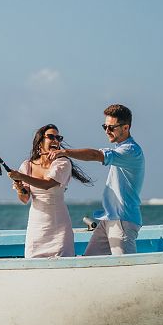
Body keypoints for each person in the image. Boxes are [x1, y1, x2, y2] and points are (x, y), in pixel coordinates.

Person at [47, 104, 144, 255]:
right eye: (105, 126)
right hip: (108, 219)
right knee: (89, 263)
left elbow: (95, 155)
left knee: (126, 268)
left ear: (126, 128)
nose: (107, 131)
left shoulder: (130, 150)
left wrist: (64, 152)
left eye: (111, 128)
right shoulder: (120, 149)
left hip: (123, 220)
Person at [2, 124, 93, 258]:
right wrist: (20, 187)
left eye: (58, 138)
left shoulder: (63, 163)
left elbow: (48, 184)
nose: (55, 140)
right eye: (51, 137)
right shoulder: (27, 165)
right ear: (40, 142)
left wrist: (21, 176)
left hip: (59, 226)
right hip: (36, 226)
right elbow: (25, 199)